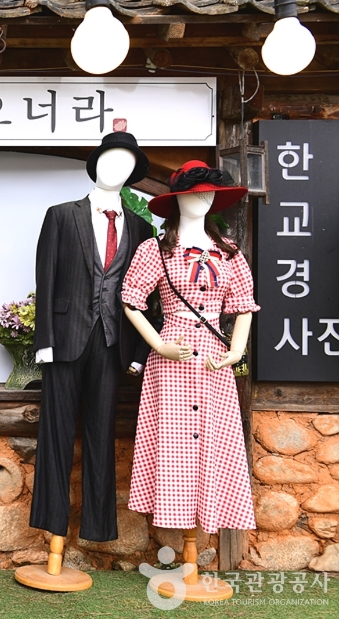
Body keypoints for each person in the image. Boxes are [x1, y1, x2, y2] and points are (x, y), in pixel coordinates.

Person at [121, 160, 258, 534]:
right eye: (194, 193)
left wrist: (236, 352)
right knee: (173, 443)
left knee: (216, 441)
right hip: (172, 359)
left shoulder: (229, 252)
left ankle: (208, 518)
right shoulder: (155, 250)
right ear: (177, 200)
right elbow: (131, 301)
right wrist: (159, 345)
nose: (202, 199)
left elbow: (244, 306)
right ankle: (176, 519)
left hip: (215, 361)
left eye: (208, 193)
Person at [30, 132, 153, 543]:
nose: (115, 168)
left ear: (133, 174)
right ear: (94, 164)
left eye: (126, 163)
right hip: (64, 339)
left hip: (114, 342)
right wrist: (44, 341)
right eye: (109, 159)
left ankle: (98, 528)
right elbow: (46, 277)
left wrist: (138, 353)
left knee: (102, 435)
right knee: (56, 434)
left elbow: (145, 294)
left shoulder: (141, 228)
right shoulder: (62, 215)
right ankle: (52, 525)